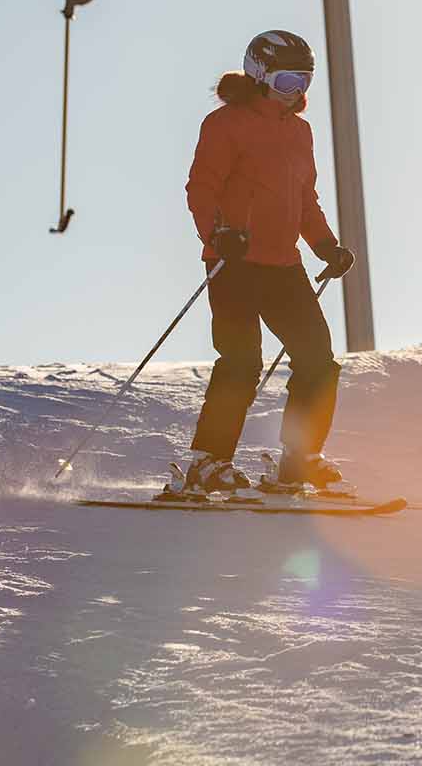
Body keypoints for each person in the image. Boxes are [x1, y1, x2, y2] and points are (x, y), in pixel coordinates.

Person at [172, 30, 356, 495]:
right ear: (259, 74)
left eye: (305, 81)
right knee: (241, 361)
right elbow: (201, 187)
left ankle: (299, 460)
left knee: (317, 359)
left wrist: (326, 247)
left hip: (283, 266)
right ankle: (209, 463)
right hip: (234, 261)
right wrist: (217, 235)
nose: (297, 91)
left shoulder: (299, 131)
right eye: (287, 80)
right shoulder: (226, 123)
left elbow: (305, 200)